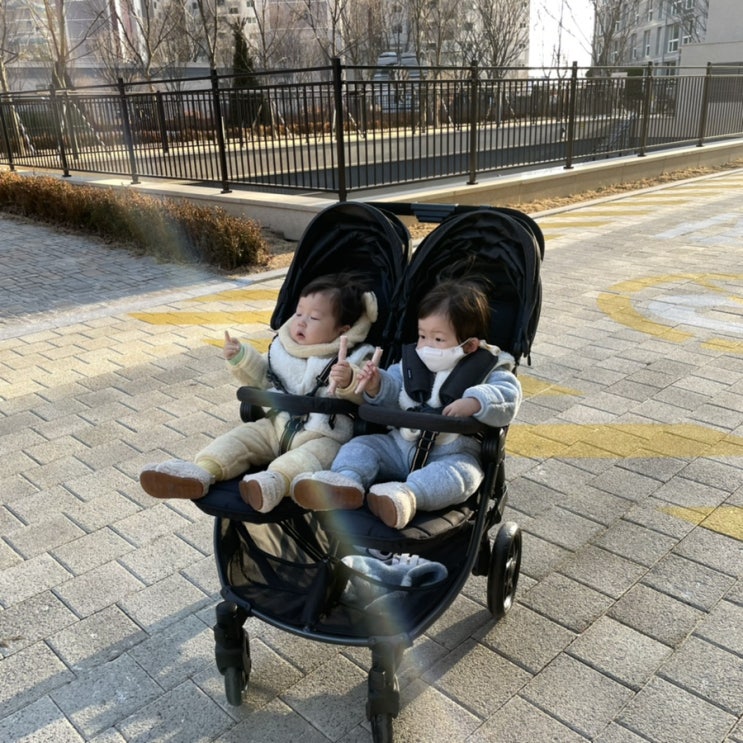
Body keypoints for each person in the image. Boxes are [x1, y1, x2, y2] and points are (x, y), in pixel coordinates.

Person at [290, 279, 522, 529]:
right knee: (361, 446)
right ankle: (346, 482)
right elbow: (393, 391)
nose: (426, 345)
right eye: (422, 335)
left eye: (438, 339)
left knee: (464, 475)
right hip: (399, 446)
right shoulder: (411, 365)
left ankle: (406, 496)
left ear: (469, 345)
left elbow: (508, 395)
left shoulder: (489, 369)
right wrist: (376, 384)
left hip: (451, 453)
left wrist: (476, 401)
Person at [139, 273, 377, 513]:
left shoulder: (354, 357)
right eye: (298, 313)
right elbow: (263, 377)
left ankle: (274, 482)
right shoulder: (283, 349)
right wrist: (241, 358)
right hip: (276, 426)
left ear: (342, 330)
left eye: (313, 318)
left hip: (323, 436)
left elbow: (367, 396)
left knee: (310, 459)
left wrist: (350, 380)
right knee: (239, 439)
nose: (301, 322)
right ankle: (201, 471)